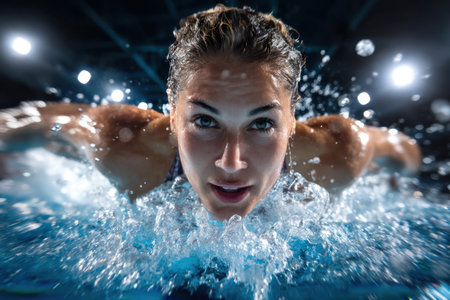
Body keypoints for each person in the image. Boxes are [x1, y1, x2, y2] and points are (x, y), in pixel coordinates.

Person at [0, 5, 421, 220]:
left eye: (261, 123)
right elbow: (38, 122)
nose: (231, 162)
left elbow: (405, 151)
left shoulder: (335, 154)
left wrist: (399, 183)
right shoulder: (124, 148)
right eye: (204, 121)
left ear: (292, 118)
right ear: (171, 108)